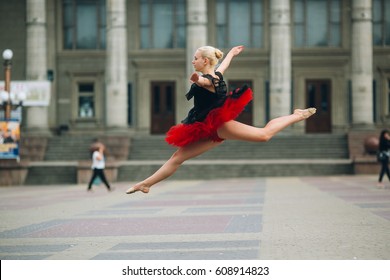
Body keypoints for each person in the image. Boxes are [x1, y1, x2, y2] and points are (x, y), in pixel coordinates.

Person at [126, 45, 316, 195]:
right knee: (178, 157)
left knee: (264, 135)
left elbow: (204, 82)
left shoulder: (208, 80)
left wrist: (196, 79)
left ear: (205, 60)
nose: (193, 61)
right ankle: (146, 184)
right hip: (207, 128)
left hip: (218, 125)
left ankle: (296, 115)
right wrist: (231, 54)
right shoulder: (217, 74)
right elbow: (223, 66)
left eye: (195, 58)